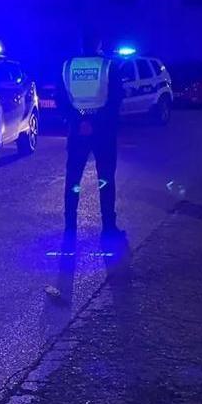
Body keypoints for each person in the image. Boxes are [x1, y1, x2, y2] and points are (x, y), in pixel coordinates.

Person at [57, 31, 126, 245]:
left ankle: (69, 228)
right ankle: (108, 227)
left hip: (77, 130)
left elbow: (61, 99)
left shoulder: (67, 66)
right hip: (103, 131)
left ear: (81, 44)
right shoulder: (109, 66)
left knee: (73, 178)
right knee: (105, 178)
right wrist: (94, 121)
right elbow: (116, 100)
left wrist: (80, 120)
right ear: (99, 43)